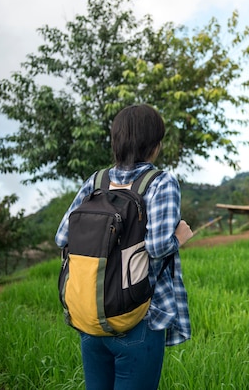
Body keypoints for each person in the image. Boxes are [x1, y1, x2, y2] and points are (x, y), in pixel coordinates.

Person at [55, 104, 193, 390]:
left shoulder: (96, 181)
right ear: (155, 145)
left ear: (116, 142)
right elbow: (156, 247)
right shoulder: (160, 182)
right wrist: (180, 237)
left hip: (90, 315)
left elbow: (61, 237)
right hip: (138, 317)